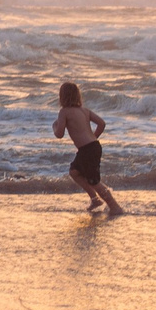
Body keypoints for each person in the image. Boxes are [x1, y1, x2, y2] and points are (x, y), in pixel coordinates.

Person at [53, 81, 123, 216]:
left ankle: (115, 206)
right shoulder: (85, 111)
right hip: (93, 146)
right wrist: (93, 137)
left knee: (94, 180)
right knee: (74, 172)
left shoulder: (64, 112)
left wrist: (54, 126)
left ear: (62, 97)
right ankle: (95, 199)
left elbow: (59, 134)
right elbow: (102, 123)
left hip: (87, 149)